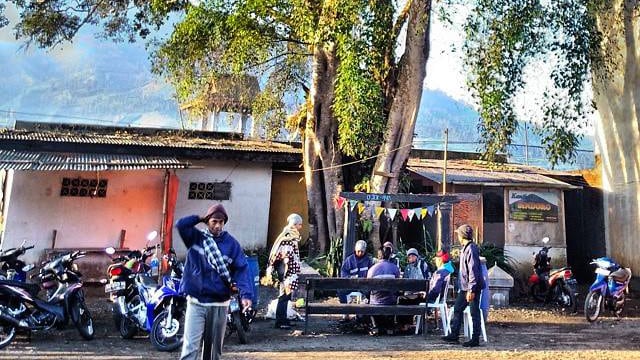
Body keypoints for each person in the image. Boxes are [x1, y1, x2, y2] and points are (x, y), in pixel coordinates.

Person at [176, 203, 253, 360]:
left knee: (213, 352)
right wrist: (199, 218)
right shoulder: (196, 239)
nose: (218, 226)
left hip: (219, 304)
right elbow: (181, 225)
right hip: (196, 303)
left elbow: (242, 269)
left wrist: (246, 294)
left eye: (221, 222)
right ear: (208, 221)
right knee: (190, 349)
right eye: (214, 222)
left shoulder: (232, 244)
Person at [441, 224, 485, 347]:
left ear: (462, 236)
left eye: (459, 234)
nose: (458, 237)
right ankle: (454, 335)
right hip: (465, 287)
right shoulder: (466, 248)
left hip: (472, 287)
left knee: (474, 313)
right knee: (457, 309)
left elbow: (473, 270)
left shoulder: (471, 248)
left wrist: (472, 289)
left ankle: (475, 339)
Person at [266, 213, 303, 329]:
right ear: (294, 224)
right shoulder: (288, 237)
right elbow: (286, 255)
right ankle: (280, 321)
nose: (300, 227)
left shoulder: (290, 236)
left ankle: (283, 319)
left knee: (287, 296)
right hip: (286, 272)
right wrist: (287, 272)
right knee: (284, 296)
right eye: (299, 224)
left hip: (289, 272)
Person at [367, 246, 400, 335]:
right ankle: (390, 327)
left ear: (378, 256)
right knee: (393, 295)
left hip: (375, 302)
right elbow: (398, 286)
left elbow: (367, 287)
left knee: (371, 297)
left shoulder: (372, 269)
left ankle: (376, 327)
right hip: (390, 301)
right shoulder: (395, 268)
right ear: (389, 256)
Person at [338, 240, 373, 322]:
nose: (360, 253)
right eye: (358, 251)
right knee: (341, 291)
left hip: (364, 287)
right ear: (355, 250)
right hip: (351, 286)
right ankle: (346, 315)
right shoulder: (349, 260)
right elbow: (343, 274)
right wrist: (352, 277)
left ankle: (360, 316)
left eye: (362, 251)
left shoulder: (368, 260)